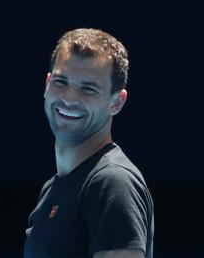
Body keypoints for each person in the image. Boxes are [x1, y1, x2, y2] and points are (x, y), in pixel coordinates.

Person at [24, 28, 154, 258]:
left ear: (117, 102)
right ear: (47, 84)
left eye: (88, 89)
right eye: (61, 82)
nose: (69, 98)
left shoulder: (112, 183)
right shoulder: (53, 189)